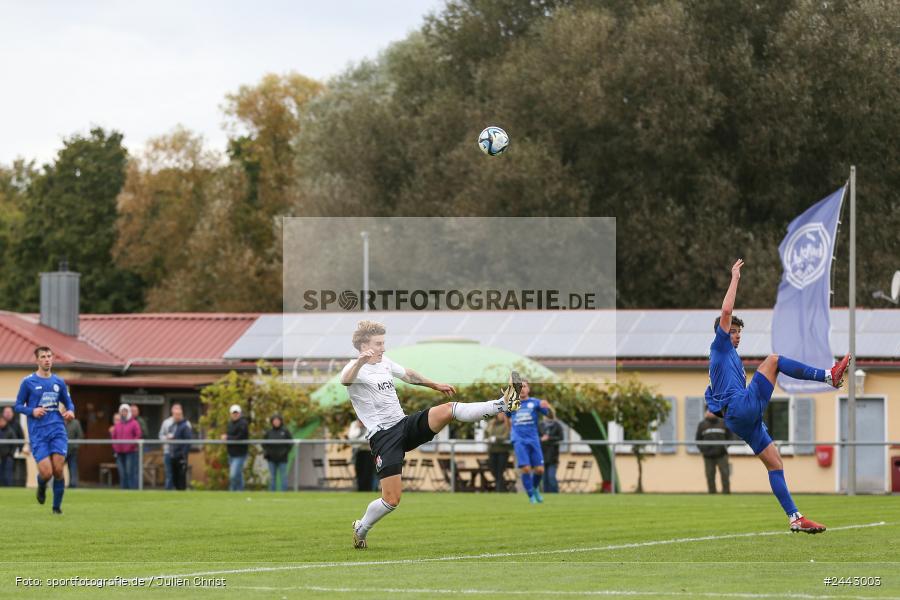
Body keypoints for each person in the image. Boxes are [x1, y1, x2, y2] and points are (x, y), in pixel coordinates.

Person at [345, 320, 521, 549]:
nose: (383, 348)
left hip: (403, 425)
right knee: (391, 500)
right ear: (364, 345)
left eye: (383, 343)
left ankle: (503, 404)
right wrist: (359, 362)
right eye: (379, 344)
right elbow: (345, 380)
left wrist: (434, 385)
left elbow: (408, 375)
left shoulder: (384, 362)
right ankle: (361, 528)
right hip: (383, 437)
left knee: (449, 409)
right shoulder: (353, 367)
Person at [707, 259, 849, 534]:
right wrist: (735, 277)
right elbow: (726, 309)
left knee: (775, 462)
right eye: (733, 331)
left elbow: (711, 398)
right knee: (774, 360)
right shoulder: (720, 346)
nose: (736, 336)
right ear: (723, 332)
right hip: (740, 408)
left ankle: (795, 517)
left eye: (738, 332)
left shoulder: (727, 359)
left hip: (741, 418)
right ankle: (828, 376)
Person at [14, 346, 76, 514]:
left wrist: (70, 411)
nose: (47, 359)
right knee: (47, 473)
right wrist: (32, 411)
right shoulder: (28, 382)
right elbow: (18, 406)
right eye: (43, 357)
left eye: (49, 356)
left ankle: (56, 508)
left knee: (58, 469)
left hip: (57, 429)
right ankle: (41, 485)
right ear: (37, 360)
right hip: (38, 433)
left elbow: (69, 403)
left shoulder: (58, 382)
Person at [509, 377, 554, 504]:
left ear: (528, 388)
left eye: (524, 386)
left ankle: (534, 488)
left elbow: (550, 416)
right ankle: (531, 496)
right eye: (519, 387)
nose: (522, 389)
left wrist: (548, 408)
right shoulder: (512, 404)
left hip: (533, 439)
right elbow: (507, 418)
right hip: (519, 440)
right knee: (526, 469)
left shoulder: (535, 403)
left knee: (540, 470)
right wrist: (512, 434)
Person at [696, 410, 731, 494]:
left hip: (722, 454)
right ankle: (712, 494)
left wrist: (725, 447)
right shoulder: (702, 424)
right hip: (708, 456)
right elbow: (698, 439)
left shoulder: (723, 423)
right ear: (706, 413)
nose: (711, 413)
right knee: (710, 476)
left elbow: (730, 437)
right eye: (709, 411)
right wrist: (703, 449)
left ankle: (726, 493)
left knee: (725, 474)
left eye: (713, 411)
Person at [111, 404, 142, 489]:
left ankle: (132, 489)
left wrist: (131, 445)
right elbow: (113, 437)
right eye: (122, 411)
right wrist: (115, 447)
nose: (124, 413)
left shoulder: (134, 423)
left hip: (131, 452)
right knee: (122, 472)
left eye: (125, 411)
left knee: (130, 472)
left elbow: (138, 435)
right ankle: (123, 489)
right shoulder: (118, 424)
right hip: (119, 452)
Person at [222, 405, 249, 491]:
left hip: (240, 453)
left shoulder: (243, 423)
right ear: (230, 414)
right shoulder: (230, 424)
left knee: (233, 475)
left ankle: (232, 491)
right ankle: (240, 491)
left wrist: (227, 438)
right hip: (231, 453)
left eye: (236, 413)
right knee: (238, 474)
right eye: (233, 413)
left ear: (240, 413)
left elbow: (240, 437)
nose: (235, 414)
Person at [263, 414, 292, 492]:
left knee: (283, 476)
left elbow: (290, 443)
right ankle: (272, 492)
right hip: (271, 458)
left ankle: (284, 492)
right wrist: (267, 452)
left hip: (282, 458)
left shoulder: (285, 431)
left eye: (277, 420)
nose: (276, 422)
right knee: (272, 477)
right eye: (274, 421)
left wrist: (285, 452)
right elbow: (264, 443)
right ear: (272, 422)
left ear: (280, 421)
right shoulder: (269, 432)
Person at [168, 404, 192, 491]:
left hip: (181, 456)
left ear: (181, 415)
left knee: (181, 477)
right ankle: (177, 493)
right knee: (174, 476)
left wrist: (183, 454)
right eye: (175, 415)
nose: (176, 416)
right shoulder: (173, 426)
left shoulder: (185, 426)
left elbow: (188, 442)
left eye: (178, 415)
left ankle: (182, 493)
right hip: (173, 454)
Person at [348, 419, 376, 492]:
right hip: (358, 452)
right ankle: (360, 489)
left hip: (369, 452)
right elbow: (351, 437)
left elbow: (368, 438)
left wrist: (356, 444)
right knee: (359, 470)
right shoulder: (354, 424)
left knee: (368, 471)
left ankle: (368, 489)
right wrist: (358, 428)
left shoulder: (370, 422)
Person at [485, 413, 510, 492]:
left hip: (502, 451)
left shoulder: (507, 423)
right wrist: (488, 438)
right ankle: (503, 489)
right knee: (493, 470)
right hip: (492, 450)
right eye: (500, 413)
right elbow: (486, 433)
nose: (501, 415)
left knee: (500, 471)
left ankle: (498, 490)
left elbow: (506, 436)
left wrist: (496, 438)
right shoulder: (491, 423)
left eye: (503, 414)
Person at [539, 412, 564, 493]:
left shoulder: (557, 425)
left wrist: (549, 438)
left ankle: (555, 494)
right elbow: (536, 436)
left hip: (553, 455)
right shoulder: (540, 425)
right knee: (544, 479)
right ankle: (546, 496)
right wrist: (541, 439)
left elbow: (561, 437)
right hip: (542, 455)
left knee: (551, 477)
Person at [65, 416, 84, 488]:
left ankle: (73, 484)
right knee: (57, 468)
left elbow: (80, 436)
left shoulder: (76, 423)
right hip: (60, 450)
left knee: (73, 467)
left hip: (72, 450)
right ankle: (56, 484)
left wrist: (75, 446)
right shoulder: (59, 421)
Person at [0, 414, 16, 486]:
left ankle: (9, 487)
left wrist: (11, 454)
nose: (1, 423)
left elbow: (14, 443)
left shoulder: (10, 431)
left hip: (8, 456)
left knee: (8, 473)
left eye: (2, 421)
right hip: (0, 456)